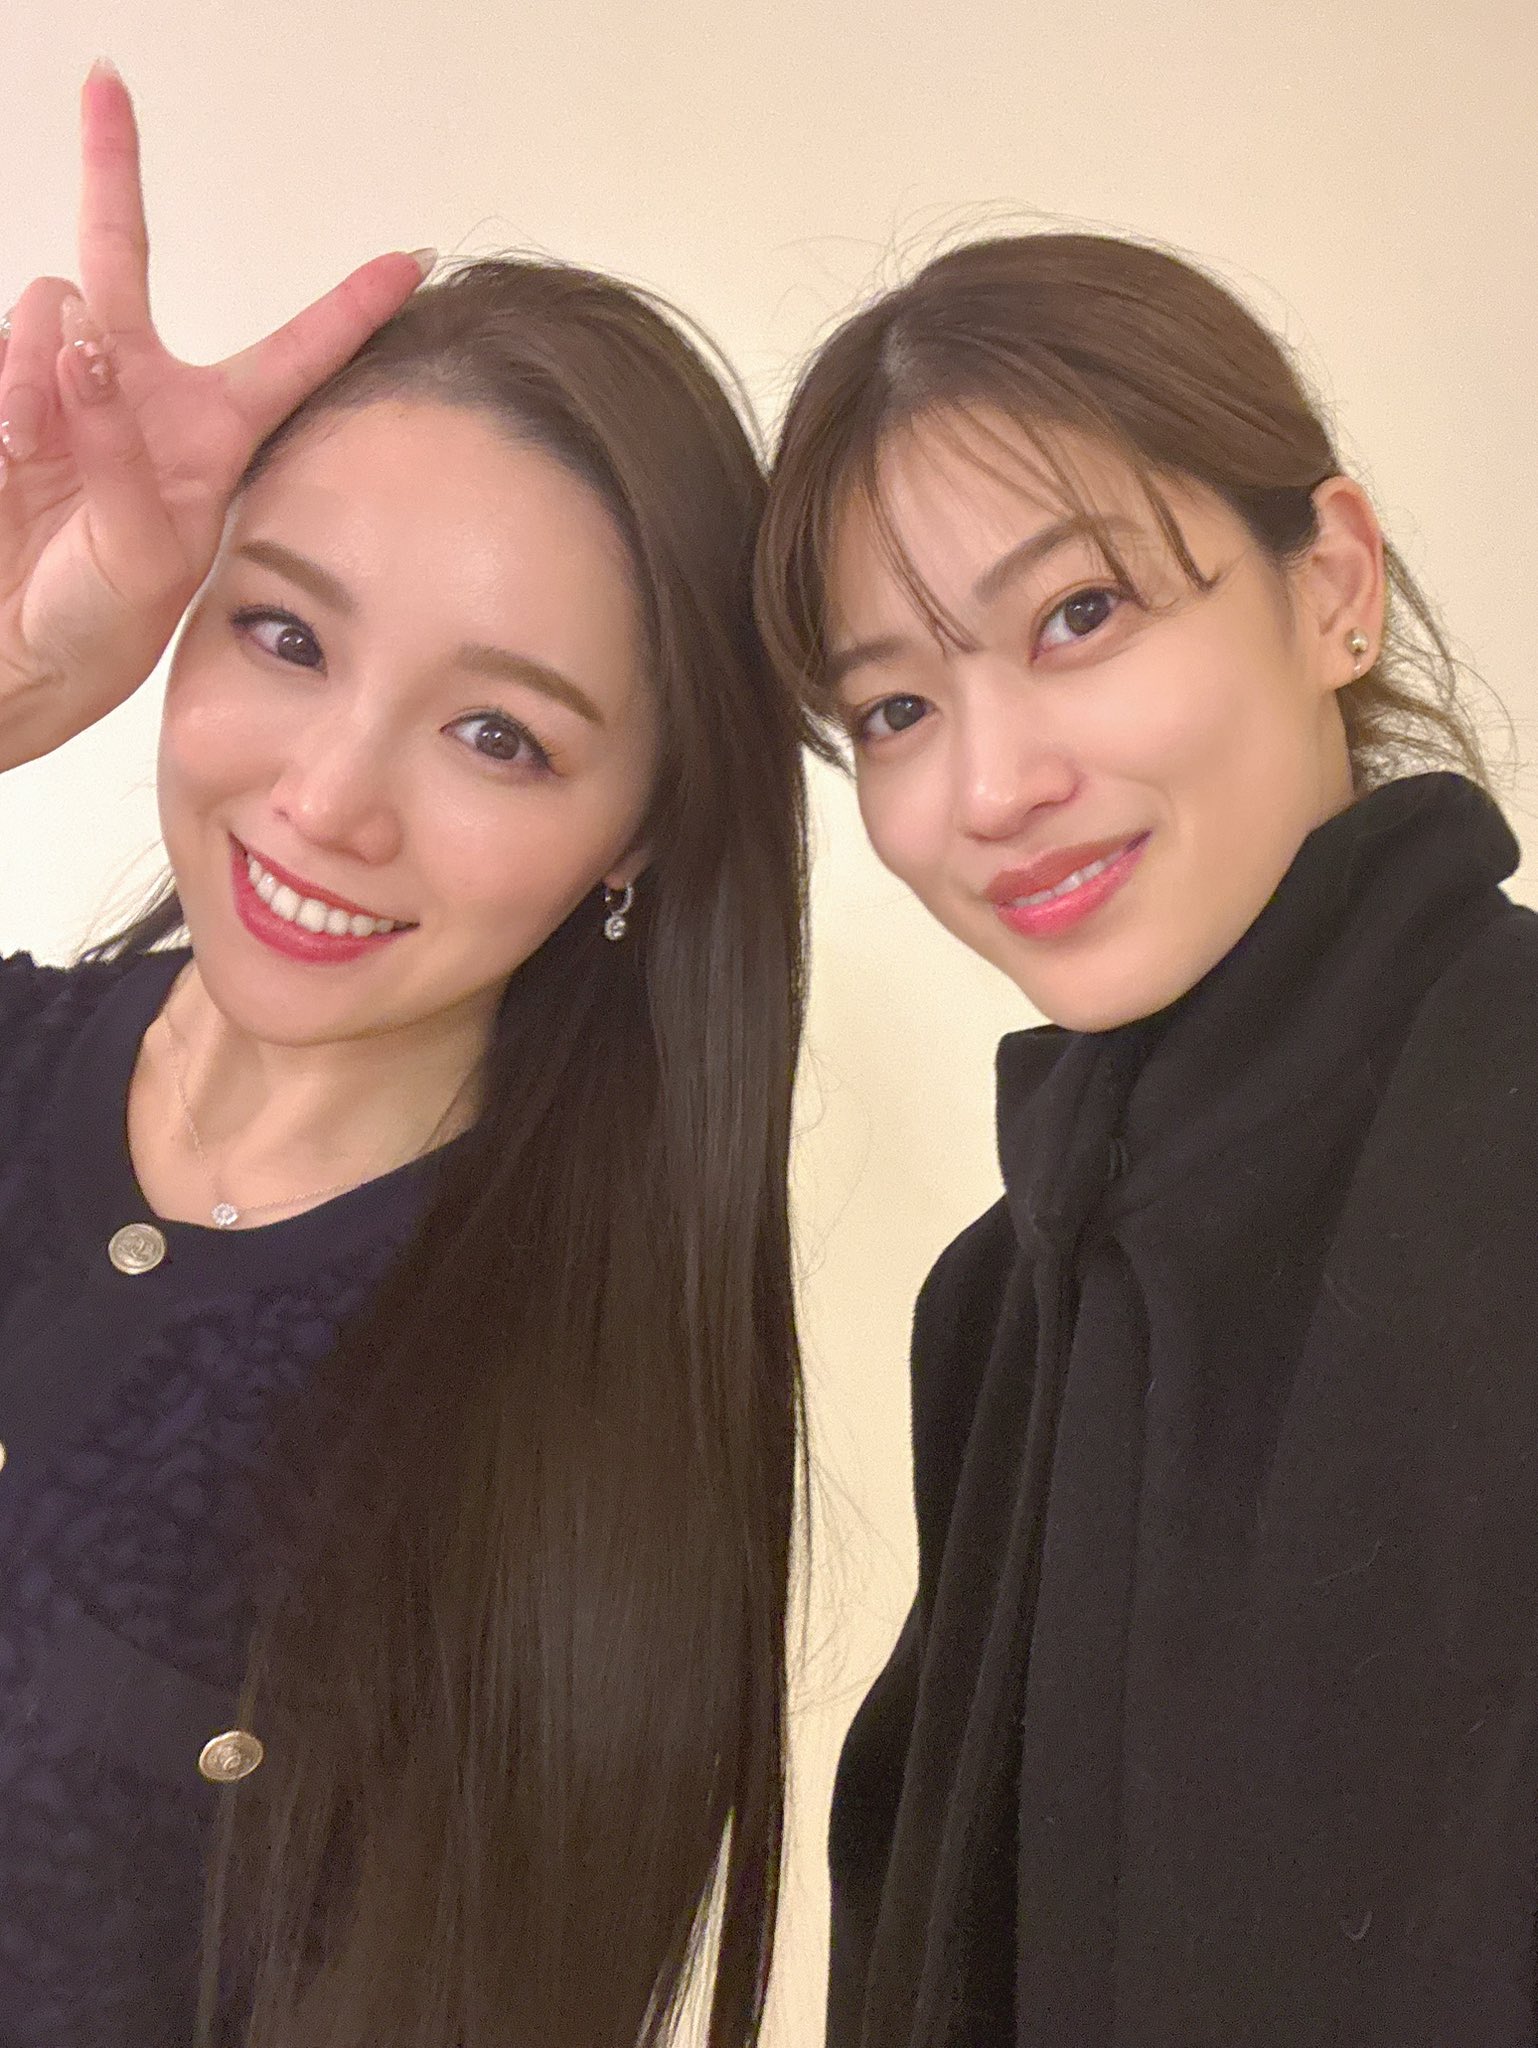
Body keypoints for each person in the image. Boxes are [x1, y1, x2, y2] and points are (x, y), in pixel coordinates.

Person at [0, 65, 808, 2048]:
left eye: (498, 735)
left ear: (637, 835)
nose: (329, 800)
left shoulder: (573, 1431)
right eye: (285, 635)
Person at [756, 231, 1538, 2048]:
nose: (992, 786)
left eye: (1078, 615)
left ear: (1331, 586)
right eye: (895, 709)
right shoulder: (995, 1303)